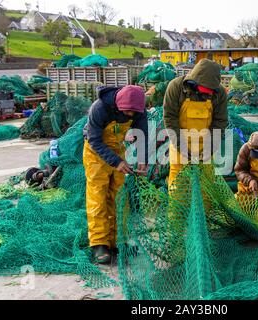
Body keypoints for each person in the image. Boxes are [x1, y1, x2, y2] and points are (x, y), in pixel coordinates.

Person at [83, 85, 148, 264]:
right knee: (98, 197)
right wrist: (116, 162)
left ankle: (118, 241)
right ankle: (99, 243)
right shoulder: (99, 108)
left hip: (118, 150)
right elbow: (94, 139)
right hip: (95, 153)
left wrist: (143, 159)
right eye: (127, 113)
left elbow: (143, 134)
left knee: (120, 197)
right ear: (118, 105)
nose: (130, 117)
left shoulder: (138, 109)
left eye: (133, 114)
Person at [163, 58, 228, 188]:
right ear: (196, 81)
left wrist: (210, 148)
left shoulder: (219, 92)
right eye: (206, 89)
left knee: (206, 187)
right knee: (178, 187)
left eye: (211, 89)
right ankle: (176, 209)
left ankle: (205, 208)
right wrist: (182, 148)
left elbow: (220, 122)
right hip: (180, 143)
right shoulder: (176, 87)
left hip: (206, 145)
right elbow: (170, 119)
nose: (209, 92)